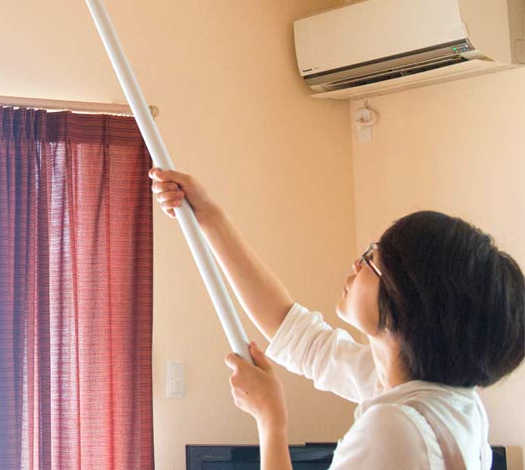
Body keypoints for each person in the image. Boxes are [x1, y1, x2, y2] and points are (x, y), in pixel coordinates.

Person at [149, 168, 525, 470]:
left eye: (372, 259)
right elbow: (295, 333)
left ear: (406, 302)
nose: (356, 264)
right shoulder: (446, 399)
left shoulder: (396, 430)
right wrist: (209, 216)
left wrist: (270, 420)